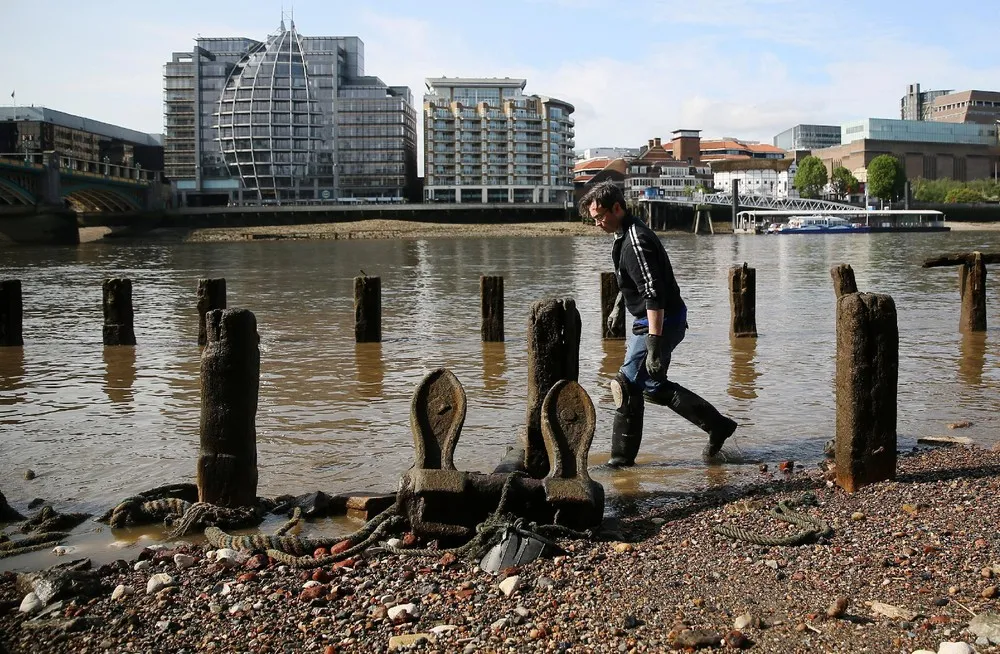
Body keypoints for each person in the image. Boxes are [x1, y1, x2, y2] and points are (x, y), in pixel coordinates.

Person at [580, 181, 737, 466]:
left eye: (601, 216)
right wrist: (618, 307)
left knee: (627, 384)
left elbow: (653, 292)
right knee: (648, 384)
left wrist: (654, 343)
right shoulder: (623, 235)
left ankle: (620, 462)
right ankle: (717, 426)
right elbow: (630, 281)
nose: (598, 223)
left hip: (661, 321)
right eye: (594, 219)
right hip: (653, 320)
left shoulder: (635, 241)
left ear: (617, 207)